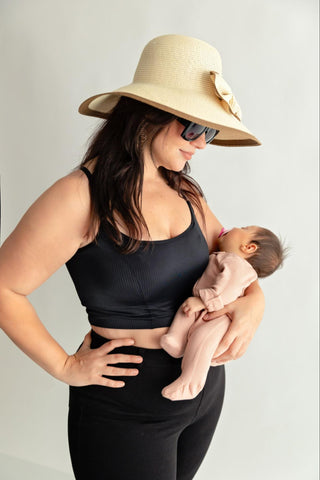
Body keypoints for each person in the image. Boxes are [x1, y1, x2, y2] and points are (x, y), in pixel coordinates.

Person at [0, 34, 265, 480]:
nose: (202, 144)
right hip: (125, 406)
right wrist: (64, 366)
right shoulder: (79, 197)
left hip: (203, 393)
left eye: (211, 131)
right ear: (147, 115)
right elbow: (4, 285)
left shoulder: (187, 193)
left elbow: (231, 255)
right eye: (194, 128)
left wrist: (255, 302)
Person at [161, 225, 286, 401]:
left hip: (220, 317)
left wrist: (203, 300)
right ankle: (177, 340)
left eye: (244, 228)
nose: (234, 227)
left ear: (249, 247)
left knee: (202, 338)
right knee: (188, 313)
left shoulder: (237, 265)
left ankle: (190, 383)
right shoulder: (227, 259)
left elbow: (226, 289)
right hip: (211, 306)